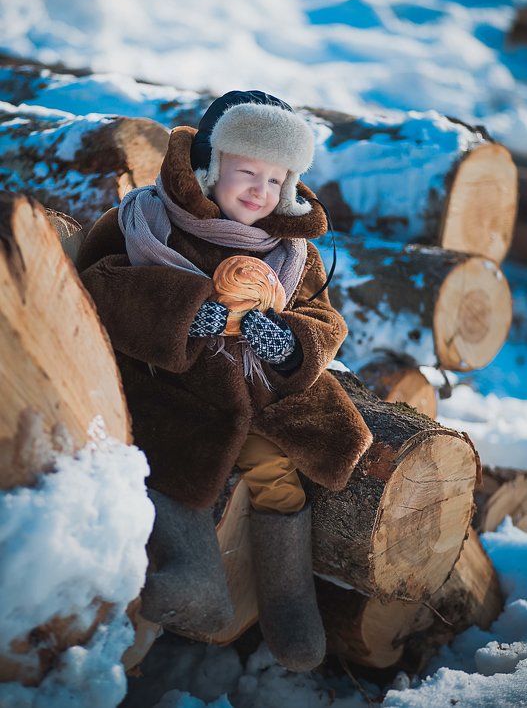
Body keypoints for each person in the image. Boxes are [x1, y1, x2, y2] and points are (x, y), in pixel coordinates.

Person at [77, 90, 373, 672]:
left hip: (257, 393)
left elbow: (323, 318)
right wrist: (188, 313)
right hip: (170, 388)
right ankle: (194, 582)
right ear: (209, 169)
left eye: (276, 180)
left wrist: (289, 344)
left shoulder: (292, 251)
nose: (261, 191)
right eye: (247, 172)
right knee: (179, 465)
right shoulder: (147, 221)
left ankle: (288, 599)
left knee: (280, 470)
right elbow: (99, 285)